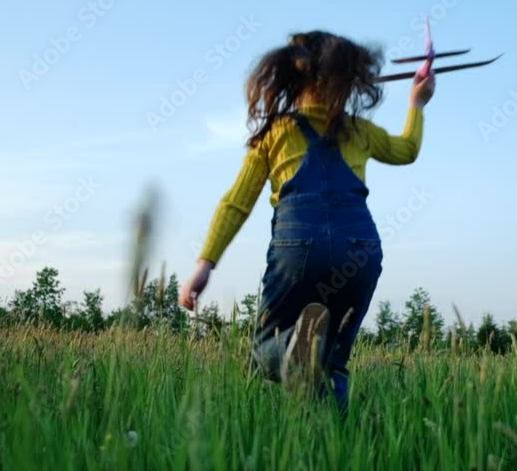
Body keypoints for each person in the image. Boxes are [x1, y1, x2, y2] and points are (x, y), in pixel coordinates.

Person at [178, 30, 434, 414]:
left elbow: (236, 203)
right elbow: (407, 150)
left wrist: (205, 264)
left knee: (264, 351)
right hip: (359, 249)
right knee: (333, 363)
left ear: (292, 78)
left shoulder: (275, 132)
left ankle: (291, 349)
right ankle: (334, 438)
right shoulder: (360, 131)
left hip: (298, 247)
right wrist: (417, 103)